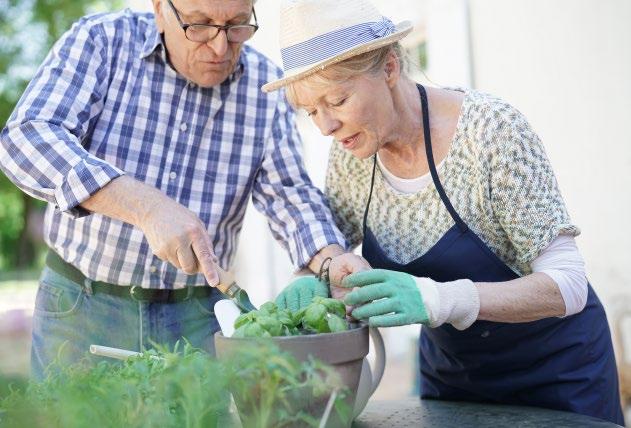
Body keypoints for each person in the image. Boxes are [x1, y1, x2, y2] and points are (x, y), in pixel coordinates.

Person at [268, 0, 624, 424]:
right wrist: (312, 276)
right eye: (312, 111)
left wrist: (440, 298)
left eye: (338, 99)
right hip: (452, 379)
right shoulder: (350, 156)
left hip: (558, 376)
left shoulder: (490, 133)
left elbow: (569, 286)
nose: (326, 126)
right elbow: (335, 253)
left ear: (390, 67)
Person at [0, 0, 363, 380]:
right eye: (200, 24)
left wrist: (329, 259)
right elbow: (25, 138)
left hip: (198, 317)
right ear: (160, 9)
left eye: (237, 24)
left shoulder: (265, 88)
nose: (221, 48)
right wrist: (146, 207)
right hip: (81, 307)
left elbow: (291, 195)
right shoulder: (101, 42)